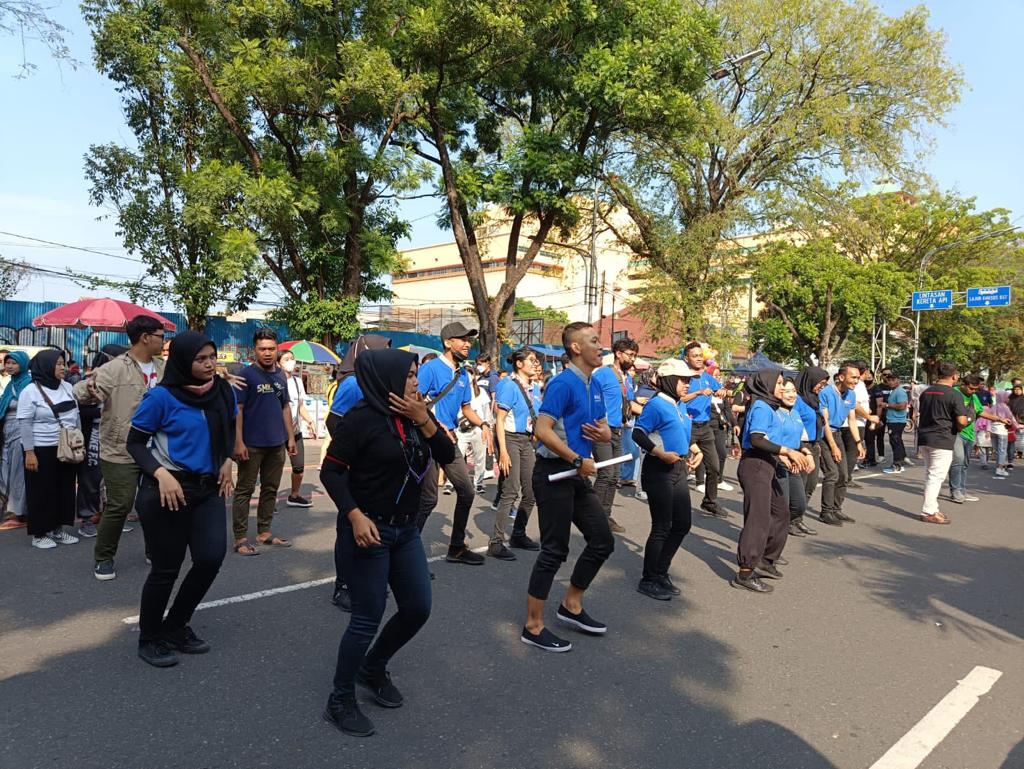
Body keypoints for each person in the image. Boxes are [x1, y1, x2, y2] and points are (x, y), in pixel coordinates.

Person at [319, 348, 452, 737]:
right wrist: (354, 515)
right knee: (366, 616)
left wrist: (424, 419)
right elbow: (330, 473)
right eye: (410, 375)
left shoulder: (415, 416)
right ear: (388, 379)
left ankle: (373, 666)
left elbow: (448, 454)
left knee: (417, 608)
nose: (416, 381)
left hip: (405, 530)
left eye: (416, 375)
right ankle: (339, 699)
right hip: (368, 530)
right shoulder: (362, 420)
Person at [127, 332, 237, 667]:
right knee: (166, 569)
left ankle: (175, 625)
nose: (209, 364)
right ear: (182, 361)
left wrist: (228, 459)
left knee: (210, 558)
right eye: (200, 359)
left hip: (208, 489)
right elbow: (134, 444)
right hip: (167, 490)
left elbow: (229, 428)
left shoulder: (222, 390)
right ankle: (149, 637)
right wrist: (160, 474)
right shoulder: (162, 397)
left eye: (212, 357)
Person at [522, 322, 614, 652]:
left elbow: (602, 426)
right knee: (554, 549)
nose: (600, 346)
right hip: (553, 473)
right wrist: (577, 459)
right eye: (594, 341)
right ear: (575, 348)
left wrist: (603, 434)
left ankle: (571, 605)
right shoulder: (563, 384)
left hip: (576, 474)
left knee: (602, 541)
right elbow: (542, 429)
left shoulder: (597, 384)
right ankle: (533, 626)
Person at [74, 317, 166, 580]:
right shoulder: (115, 368)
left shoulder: (163, 368)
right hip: (120, 448)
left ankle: (154, 550)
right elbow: (81, 390)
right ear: (145, 337)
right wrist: (89, 390)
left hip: (156, 448)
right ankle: (103, 557)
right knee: (120, 504)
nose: (164, 340)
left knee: (154, 504)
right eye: (160, 335)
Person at [415, 322, 490, 566]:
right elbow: (415, 402)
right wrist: (436, 424)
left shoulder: (463, 374)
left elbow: (466, 408)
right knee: (429, 500)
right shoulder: (431, 368)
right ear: (448, 342)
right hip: (428, 439)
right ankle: (406, 554)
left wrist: (484, 425)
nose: (468, 344)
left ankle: (456, 547)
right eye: (462, 339)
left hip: (449, 441)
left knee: (467, 491)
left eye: (469, 340)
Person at [733, 368, 811, 593]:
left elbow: (771, 440)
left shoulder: (770, 407)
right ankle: (746, 571)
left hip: (768, 464)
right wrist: (788, 451)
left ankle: (766, 560)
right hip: (755, 465)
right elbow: (756, 439)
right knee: (757, 519)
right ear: (765, 385)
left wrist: (787, 456)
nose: (782, 387)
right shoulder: (761, 406)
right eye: (777, 384)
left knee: (781, 513)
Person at [631, 359, 702, 601]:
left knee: (682, 524)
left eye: (689, 380)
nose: (687, 384)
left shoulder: (678, 404)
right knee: (662, 526)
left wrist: (695, 449)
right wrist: (658, 452)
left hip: (679, 468)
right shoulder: (657, 404)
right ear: (670, 380)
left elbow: (679, 430)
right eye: (683, 380)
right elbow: (638, 432)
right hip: (658, 469)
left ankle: (661, 572)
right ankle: (648, 579)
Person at [231, 328, 296, 555]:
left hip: (276, 443)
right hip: (252, 444)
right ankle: (240, 538)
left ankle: (264, 532)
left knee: (270, 489)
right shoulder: (245, 375)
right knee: (244, 491)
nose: (267, 353)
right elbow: (238, 410)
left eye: (271, 348)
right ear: (254, 350)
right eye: (262, 349)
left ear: (277, 349)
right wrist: (238, 442)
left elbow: (285, 406)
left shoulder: (280, 375)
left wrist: (290, 437)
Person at [18, 350, 82, 549]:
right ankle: (39, 533)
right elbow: (25, 424)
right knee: (41, 491)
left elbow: (76, 416)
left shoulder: (68, 386)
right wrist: (29, 452)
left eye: (63, 363)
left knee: (64, 489)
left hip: (66, 447)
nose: (63, 367)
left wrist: (79, 442)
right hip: (40, 449)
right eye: (58, 364)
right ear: (46, 366)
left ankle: (58, 529)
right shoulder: (30, 391)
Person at [490, 347, 542, 560]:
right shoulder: (508, 386)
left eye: (536, 360)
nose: (535, 363)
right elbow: (499, 420)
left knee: (531, 491)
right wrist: (502, 452)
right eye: (531, 360)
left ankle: (518, 534)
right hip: (509, 439)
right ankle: (496, 542)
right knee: (510, 490)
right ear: (519, 364)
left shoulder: (535, 388)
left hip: (526, 440)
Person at [591, 338, 639, 533]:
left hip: (618, 430)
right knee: (606, 474)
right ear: (618, 354)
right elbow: (590, 400)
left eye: (634, 355)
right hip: (602, 430)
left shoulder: (627, 377)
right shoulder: (603, 374)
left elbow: (632, 404)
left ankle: (605, 516)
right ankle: (592, 517)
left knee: (615, 476)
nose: (633, 359)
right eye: (630, 354)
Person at [916, 363, 970, 524]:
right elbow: (961, 421)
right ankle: (928, 511)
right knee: (936, 477)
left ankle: (933, 507)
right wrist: (968, 420)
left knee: (930, 474)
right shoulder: (954, 394)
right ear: (954, 376)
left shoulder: (926, 392)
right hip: (942, 438)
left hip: (925, 437)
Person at [680, 342, 726, 518]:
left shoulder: (707, 376)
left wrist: (721, 391)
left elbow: (719, 389)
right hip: (688, 426)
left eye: (700, 355)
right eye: (694, 355)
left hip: (705, 427)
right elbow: (680, 399)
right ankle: (679, 503)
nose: (699, 358)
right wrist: (698, 393)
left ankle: (709, 501)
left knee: (714, 467)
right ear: (687, 358)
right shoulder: (684, 377)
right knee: (683, 468)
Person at [948, 373, 1009, 504]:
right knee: (958, 461)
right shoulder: (954, 393)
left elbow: (980, 412)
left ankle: (962, 490)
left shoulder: (973, 396)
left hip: (970, 433)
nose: (973, 391)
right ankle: (955, 491)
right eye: (971, 388)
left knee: (964, 464)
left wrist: (999, 418)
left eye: (976, 389)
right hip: (956, 432)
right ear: (963, 385)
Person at [816, 364, 865, 527]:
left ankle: (836, 509)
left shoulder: (851, 394)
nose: (856, 381)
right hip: (824, 435)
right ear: (841, 377)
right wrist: (833, 446)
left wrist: (859, 443)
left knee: (844, 474)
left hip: (837, 434)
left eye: (858, 377)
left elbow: (851, 420)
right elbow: (825, 422)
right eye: (853, 377)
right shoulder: (826, 393)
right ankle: (826, 512)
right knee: (832, 474)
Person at [774, 378, 815, 546]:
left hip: (794, 462)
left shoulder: (796, 413)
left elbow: (800, 441)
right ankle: (771, 546)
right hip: (778, 462)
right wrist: (785, 456)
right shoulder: (773, 412)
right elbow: (768, 440)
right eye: (786, 391)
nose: (791, 395)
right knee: (779, 508)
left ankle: (790, 524)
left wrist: (807, 453)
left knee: (799, 504)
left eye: (793, 391)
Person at [791, 366, 829, 536]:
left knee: (811, 485)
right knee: (799, 486)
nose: (822, 386)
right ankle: (790, 520)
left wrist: (817, 443)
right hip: (801, 446)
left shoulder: (814, 398)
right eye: (820, 383)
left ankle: (798, 519)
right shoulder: (796, 399)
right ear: (810, 380)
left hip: (813, 445)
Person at [279, 350, 317, 508]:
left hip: (295, 432)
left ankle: (294, 495)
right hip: (277, 433)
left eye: (292, 359)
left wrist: (309, 420)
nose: (291, 362)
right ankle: (267, 501)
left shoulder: (297, 382)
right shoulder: (275, 381)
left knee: (299, 467)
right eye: (286, 359)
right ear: (278, 363)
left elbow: (300, 406)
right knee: (273, 469)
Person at [0, 351, 30, 530]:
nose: (9, 366)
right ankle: (7, 507)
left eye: (13, 363)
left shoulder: (28, 384)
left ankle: (17, 513)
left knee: (18, 473)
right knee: (4, 470)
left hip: (21, 432)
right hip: (7, 432)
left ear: (23, 364)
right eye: (7, 362)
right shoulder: (10, 384)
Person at [456, 372, 492, 492]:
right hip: (461, 428)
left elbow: (487, 411)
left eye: (470, 373)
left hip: (479, 427)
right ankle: (452, 482)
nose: (468, 376)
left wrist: (486, 425)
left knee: (480, 457)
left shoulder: (480, 391)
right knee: (457, 455)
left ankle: (478, 483)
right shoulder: (458, 389)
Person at [881, 373, 909, 474]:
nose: (890, 382)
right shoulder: (895, 391)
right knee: (896, 442)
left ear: (898, 380)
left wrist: (887, 405)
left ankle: (897, 466)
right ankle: (900, 461)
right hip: (893, 421)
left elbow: (902, 406)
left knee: (895, 442)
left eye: (893, 380)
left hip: (896, 421)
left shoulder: (900, 391)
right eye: (889, 380)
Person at [989, 392, 1018, 478]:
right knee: (1002, 450)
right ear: (1003, 398)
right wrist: (1018, 426)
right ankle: (1000, 468)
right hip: (1002, 431)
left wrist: (988, 430)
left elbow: (988, 419)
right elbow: (1012, 419)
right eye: (1007, 397)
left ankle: (999, 467)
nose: (1008, 399)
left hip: (993, 431)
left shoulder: (993, 407)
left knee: (997, 450)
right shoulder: (1005, 408)